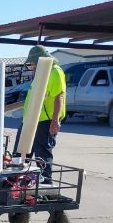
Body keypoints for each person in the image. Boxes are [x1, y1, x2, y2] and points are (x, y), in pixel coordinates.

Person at [23, 45, 66, 182]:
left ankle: (46, 181)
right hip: (33, 119)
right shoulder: (41, 72)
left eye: (32, 63)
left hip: (46, 120)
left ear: (39, 60)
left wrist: (55, 120)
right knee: (24, 150)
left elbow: (59, 96)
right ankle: (23, 179)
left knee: (42, 151)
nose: (31, 66)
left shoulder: (54, 71)